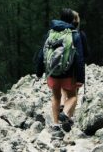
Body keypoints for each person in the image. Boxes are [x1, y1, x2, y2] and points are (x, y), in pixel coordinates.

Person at [36, 8, 85, 138]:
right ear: (72, 20)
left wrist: (39, 71)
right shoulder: (75, 34)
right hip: (68, 73)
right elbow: (79, 59)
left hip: (52, 73)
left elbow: (42, 53)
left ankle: (56, 124)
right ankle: (66, 114)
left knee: (56, 97)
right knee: (73, 96)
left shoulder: (51, 32)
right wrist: (80, 78)